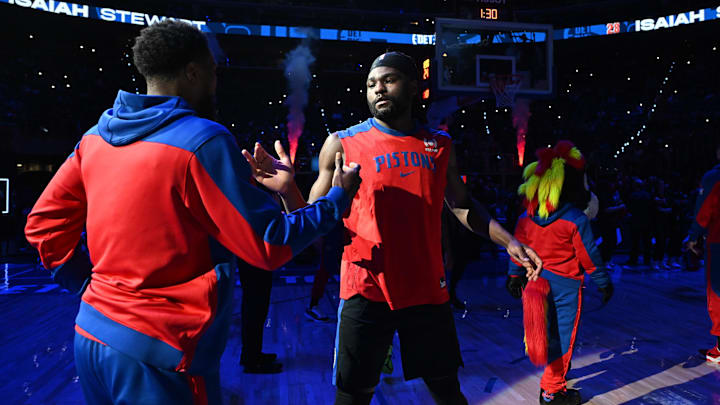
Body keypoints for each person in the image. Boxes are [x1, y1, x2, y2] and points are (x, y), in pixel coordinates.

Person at [24, 20, 360, 405]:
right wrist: (336, 198)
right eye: (213, 74)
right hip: (160, 351)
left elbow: (43, 224)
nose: (215, 84)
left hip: (91, 337)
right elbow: (269, 246)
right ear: (192, 72)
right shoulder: (203, 140)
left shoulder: (94, 139)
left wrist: (85, 285)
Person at [305, 51, 543, 405]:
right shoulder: (342, 143)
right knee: (353, 395)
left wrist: (508, 240)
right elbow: (309, 218)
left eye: (388, 80)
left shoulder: (440, 145)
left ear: (414, 87)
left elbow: (461, 205)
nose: (378, 90)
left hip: (427, 289)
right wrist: (287, 191)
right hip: (366, 288)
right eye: (371, 84)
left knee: (446, 390)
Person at [507, 141, 612, 405]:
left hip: (533, 283)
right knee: (563, 337)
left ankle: (552, 385)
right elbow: (589, 256)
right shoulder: (575, 219)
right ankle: (552, 392)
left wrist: (513, 275)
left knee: (541, 337)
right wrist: (602, 282)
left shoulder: (525, 218)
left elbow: (517, 249)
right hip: (566, 286)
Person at [686, 143, 720, 363]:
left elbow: (704, 210)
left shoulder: (714, 178)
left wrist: (693, 236)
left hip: (718, 240)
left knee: (717, 292)